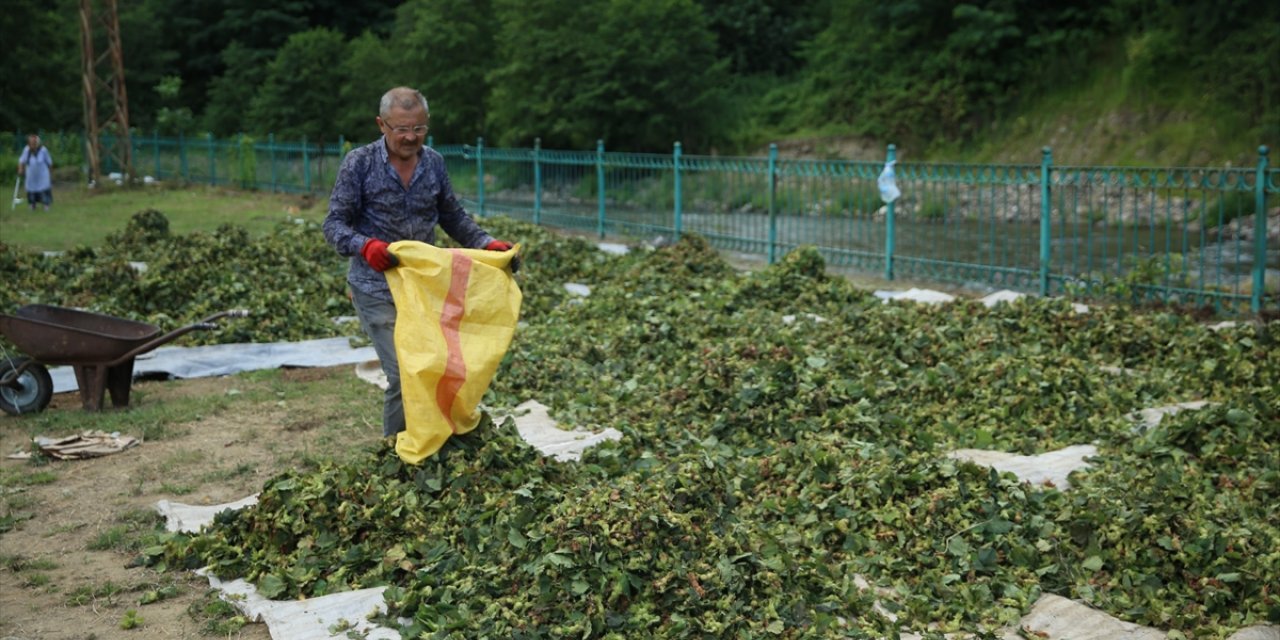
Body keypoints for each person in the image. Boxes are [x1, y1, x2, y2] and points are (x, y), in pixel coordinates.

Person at [324, 86, 514, 439]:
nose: (411, 137)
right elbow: (333, 225)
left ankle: (435, 439)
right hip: (376, 287)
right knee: (404, 373)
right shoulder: (359, 163)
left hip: (426, 285)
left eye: (419, 128)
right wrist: (365, 246)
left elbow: (452, 216)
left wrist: (486, 244)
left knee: (438, 366)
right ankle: (395, 454)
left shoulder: (434, 163)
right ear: (382, 125)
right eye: (401, 129)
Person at [17, 134, 53, 211]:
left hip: (43, 176)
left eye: (34, 143)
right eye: (30, 143)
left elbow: (49, 162)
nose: (32, 145)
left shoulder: (43, 150)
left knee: (44, 190)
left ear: (37, 143)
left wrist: (50, 173)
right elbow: (21, 161)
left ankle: (46, 205)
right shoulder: (26, 150)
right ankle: (32, 205)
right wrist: (21, 169)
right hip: (31, 176)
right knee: (31, 191)